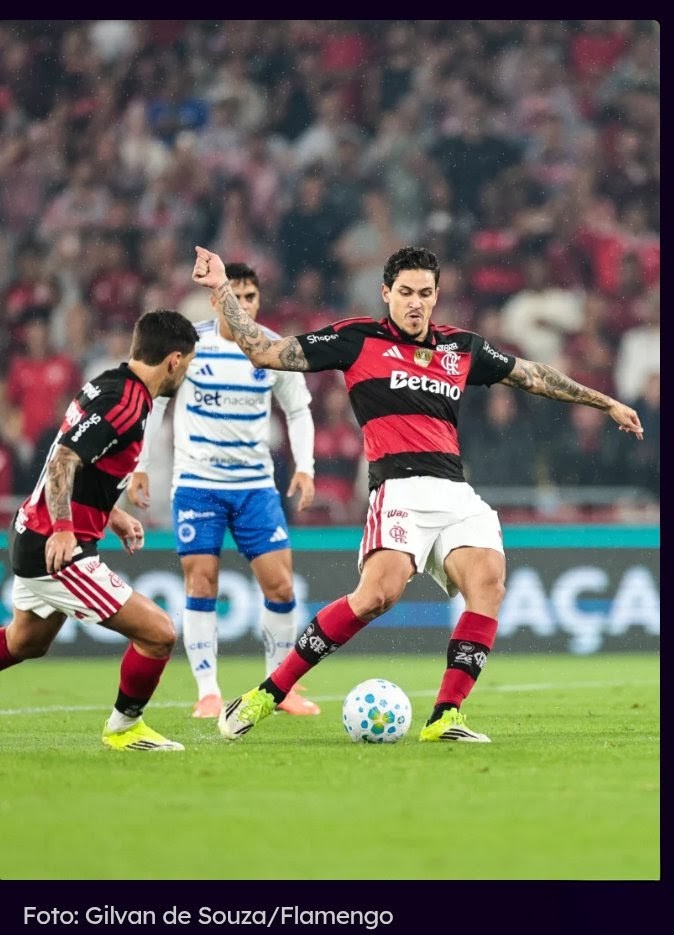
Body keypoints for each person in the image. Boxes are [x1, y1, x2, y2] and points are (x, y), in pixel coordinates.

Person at [191, 244, 643, 744]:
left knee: (489, 584)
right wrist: (221, 288)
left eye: (425, 293)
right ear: (386, 293)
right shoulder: (356, 338)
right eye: (405, 292)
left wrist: (606, 403)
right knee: (376, 597)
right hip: (400, 489)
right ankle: (267, 694)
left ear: (436, 296)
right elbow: (262, 350)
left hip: (455, 491)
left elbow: (532, 375)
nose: (415, 303)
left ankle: (446, 716)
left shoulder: (460, 348)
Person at [127, 263, 321, 719]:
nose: (243, 304)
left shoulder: (271, 348)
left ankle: (279, 688)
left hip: (255, 486)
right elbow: (155, 402)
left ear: (258, 301)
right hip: (197, 484)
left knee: (280, 585)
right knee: (201, 581)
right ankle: (208, 691)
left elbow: (298, 410)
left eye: (250, 297)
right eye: (234, 295)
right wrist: (140, 465)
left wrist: (305, 467)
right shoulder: (191, 347)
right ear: (216, 300)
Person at [1, 309, 199, 751]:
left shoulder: (111, 383)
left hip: (33, 532)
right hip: (55, 547)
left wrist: (112, 515)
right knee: (159, 633)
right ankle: (125, 729)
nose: (186, 372)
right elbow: (62, 460)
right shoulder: (124, 405)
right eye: (187, 363)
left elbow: (86, 465)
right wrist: (64, 528)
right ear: (173, 360)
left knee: (25, 642)